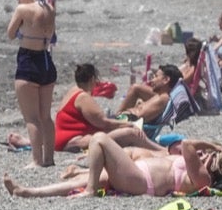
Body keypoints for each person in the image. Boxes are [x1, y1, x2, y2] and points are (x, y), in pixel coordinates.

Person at [3, 135, 222, 198]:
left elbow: (188, 145)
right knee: (75, 183)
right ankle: (29, 192)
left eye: (211, 158)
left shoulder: (203, 177)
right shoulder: (199, 171)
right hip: (137, 176)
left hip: (141, 183)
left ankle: (89, 190)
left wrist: (212, 145)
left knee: (100, 139)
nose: (205, 156)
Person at [32, 63, 162, 153]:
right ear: (93, 79)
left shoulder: (73, 91)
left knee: (127, 132)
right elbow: (103, 123)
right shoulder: (83, 97)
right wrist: (129, 124)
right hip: (73, 140)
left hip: (63, 138)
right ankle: (162, 151)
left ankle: (158, 149)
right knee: (131, 133)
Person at [8, 0, 57, 168]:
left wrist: (22, 29)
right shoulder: (50, 8)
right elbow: (52, 35)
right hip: (46, 61)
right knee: (45, 116)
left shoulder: (23, 10)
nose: (18, 1)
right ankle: (49, 159)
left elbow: (10, 33)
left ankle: (36, 160)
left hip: (29, 61)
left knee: (32, 117)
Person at [117, 63, 184, 126]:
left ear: (166, 80)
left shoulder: (164, 98)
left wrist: (115, 118)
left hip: (124, 123)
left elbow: (137, 118)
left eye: (156, 77)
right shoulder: (160, 96)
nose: (151, 80)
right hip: (124, 119)